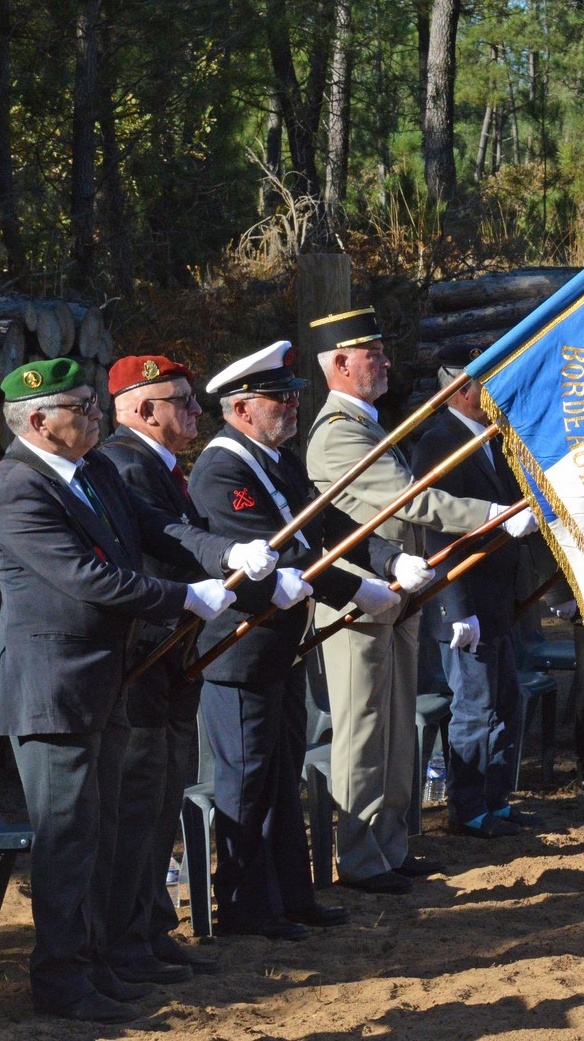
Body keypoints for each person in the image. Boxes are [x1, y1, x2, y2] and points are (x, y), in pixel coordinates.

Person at [0, 359, 241, 1024]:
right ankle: (61, 983)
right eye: (83, 408)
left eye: (95, 404)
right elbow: (83, 578)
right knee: (67, 841)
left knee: (101, 835)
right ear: (39, 420)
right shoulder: (14, 488)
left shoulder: (92, 468)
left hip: (106, 678)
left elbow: (155, 528)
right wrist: (185, 597)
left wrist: (223, 555)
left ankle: (97, 964)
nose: (98, 415)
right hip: (54, 688)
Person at [306, 307, 533, 893]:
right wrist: (492, 514)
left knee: (396, 731)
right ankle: (361, 858)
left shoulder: (368, 424)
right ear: (340, 363)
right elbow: (409, 501)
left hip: (395, 598)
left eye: (382, 352)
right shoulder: (337, 433)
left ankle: (390, 845)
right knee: (364, 734)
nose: (385, 363)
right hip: (359, 602)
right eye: (373, 355)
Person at [191, 341, 402, 938]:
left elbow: (327, 522)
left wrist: (388, 559)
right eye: (277, 398)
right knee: (247, 782)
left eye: (291, 396)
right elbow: (278, 553)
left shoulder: (275, 460)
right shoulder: (222, 468)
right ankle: (244, 908)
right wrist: (354, 590)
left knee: (281, 776)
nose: (290, 406)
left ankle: (290, 896)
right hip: (241, 650)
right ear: (240, 408)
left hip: (281, 645)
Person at [97, 354, 267, 982]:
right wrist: (220, 575)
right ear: (145, 410)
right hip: (146, 653)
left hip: (174, 653)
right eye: (184, 402)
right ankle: (127, 938)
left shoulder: (156, 465)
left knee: (164, 796)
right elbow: (159, 548)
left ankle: (149, 926)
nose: (197, 412)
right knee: (139, 802)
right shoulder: (124, 464)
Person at [412, 343, 540, 838]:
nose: (495, 392)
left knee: (506, 701)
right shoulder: (438, 442)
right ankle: (466, 809)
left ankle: (496, 800)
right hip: (465, 600)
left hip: (501, 597)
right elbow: (436, 529)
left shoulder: (492, 436)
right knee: (474, 707)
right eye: (487, 383)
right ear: (462, 390)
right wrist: (454, 607)